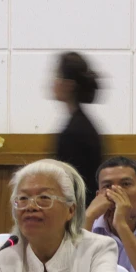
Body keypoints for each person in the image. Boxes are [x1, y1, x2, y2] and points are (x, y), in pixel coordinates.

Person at [52, 52, 103, 205]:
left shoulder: (75, 132)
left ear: (69, 85)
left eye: (57, 77)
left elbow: (72, 185)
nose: (53, 83)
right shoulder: (81, 124)